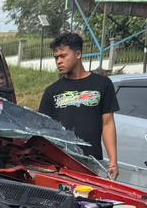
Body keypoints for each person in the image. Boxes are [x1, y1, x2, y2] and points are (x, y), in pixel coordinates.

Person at [38, 33, 119, 178]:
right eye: (56, 57)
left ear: (78, 54)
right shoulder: (52, 91)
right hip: (60, 165)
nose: (59, 61)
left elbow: (108, 124)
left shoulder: (102, 84)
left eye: (63, 56)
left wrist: (113, 161)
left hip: (92, 164)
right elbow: (43, 131)